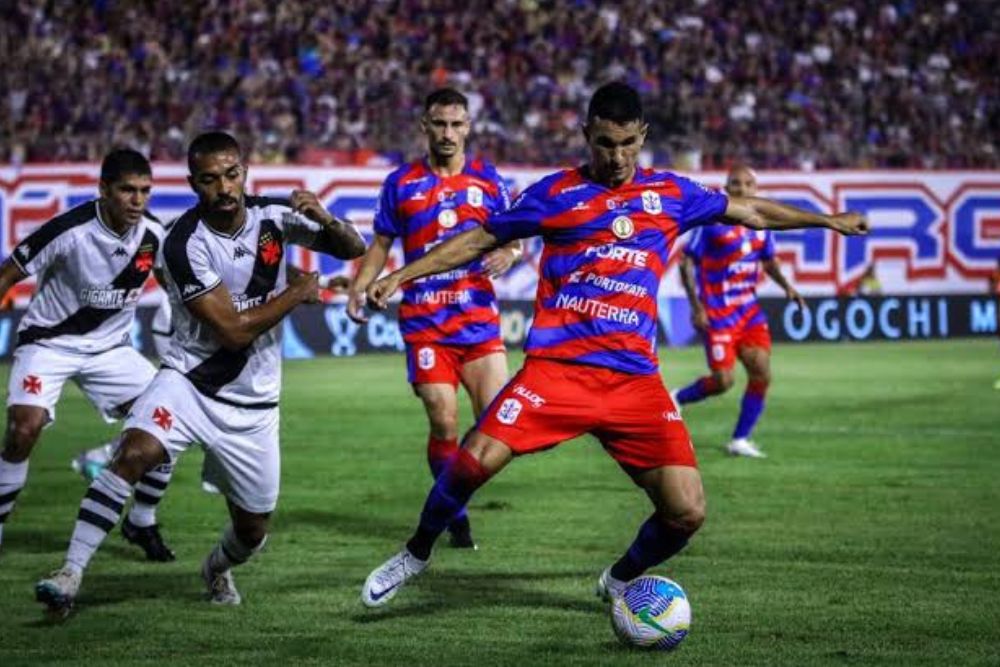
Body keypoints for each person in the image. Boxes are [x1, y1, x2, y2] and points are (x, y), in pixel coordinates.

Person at [358, 82, 867, 609]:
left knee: (687, 512)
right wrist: (403, 274)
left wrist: (827, 221)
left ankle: (621, 579)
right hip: (557, 371)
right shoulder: (555, 195)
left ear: (642, 136)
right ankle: (416, 553)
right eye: (605, 143)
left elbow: (751, 212)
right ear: (586, 135)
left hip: (634, 381)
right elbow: (478, 239)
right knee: (471, 462)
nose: (617, 156)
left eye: (628, 143)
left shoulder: (670, 194)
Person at [35, 131, 365, 615]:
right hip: (190, 383)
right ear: (194, 183)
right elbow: (232, 332)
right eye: (211, 180)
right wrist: (297, 293)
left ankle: (214, 568)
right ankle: (69, 573)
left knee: (253, 531)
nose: (225, 188)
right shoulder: (182, 242)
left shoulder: (274, 217)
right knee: (134, 453)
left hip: (255, 402)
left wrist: (325, 218)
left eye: (232, 175)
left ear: (245, 172)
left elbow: (353, 248)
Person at [347, 88, 521, 549]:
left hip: (478, 320)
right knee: (444, 421)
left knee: (498, 427)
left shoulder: (489, 180)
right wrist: (358, 287)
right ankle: (457, 516)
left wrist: (510, 251)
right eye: (439, 124)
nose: (448, 133)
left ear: (468, 127)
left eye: (456, 124)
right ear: (424, 126)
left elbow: (516, 231)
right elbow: (381, 245)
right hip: (426, 323)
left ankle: (450, 488)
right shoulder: (401, 183)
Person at [0, 149, 177, 562]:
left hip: (111, 351)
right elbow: (8, 274)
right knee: (24, 430)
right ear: (103, 190)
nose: (137, 200)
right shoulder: (68, 230)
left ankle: (141, 520)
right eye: (127, 190)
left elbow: (175, 288)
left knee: (170, 422)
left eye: (145, 191)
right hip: (48, 344)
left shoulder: (154, 235)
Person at [672, 165, 805, 459]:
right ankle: (678, 398)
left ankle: (740, 439)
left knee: (761, 373)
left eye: (747, 184)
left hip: (749, 313)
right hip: (718, 314)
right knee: (723, 381)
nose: (742, 189)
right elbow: (685, 263)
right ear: (726, 187)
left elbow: (769, 262)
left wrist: (788, 287)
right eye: (735, 183)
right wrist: (697, 307)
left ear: (755, 189)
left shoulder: (761, 226)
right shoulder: (710, 223)